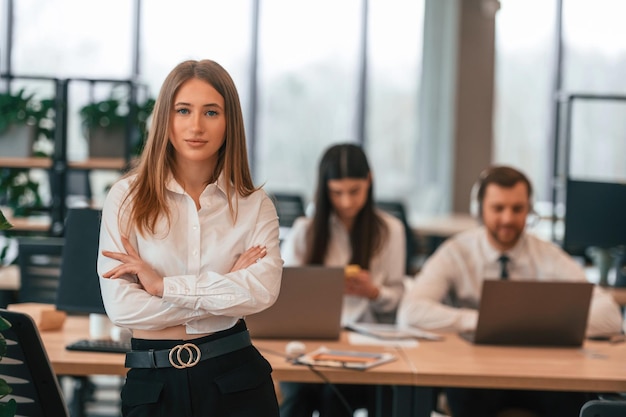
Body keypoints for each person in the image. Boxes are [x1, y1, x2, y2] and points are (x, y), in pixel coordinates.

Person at [97, 59, 283, 417]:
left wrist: (162, 286)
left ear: (230, 122)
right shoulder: (125, 198)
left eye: (211, 112)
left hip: (238, 381)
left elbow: (262, 291)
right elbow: (122, 307)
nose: (196, 126)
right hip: (153, 387)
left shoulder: (255, 205)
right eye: (184, 110)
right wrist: (227, 287)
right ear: (166, 118)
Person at [397, 165, 623, 417]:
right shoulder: (456, 253)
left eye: (517, 209)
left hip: (544, 376)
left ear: (529, 209)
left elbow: (610, 316)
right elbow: (410, 312)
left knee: (576, 397)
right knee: (464, 391)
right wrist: (480, 321)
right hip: (476, 376)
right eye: (498, 208)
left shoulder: (548, 256)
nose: (507, 219)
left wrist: (536, 323)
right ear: (479, 210)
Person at [279, 143, 406, 417]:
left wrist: (373, 292)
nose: (347, 202)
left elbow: (398, 300)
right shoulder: (306, 231)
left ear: (369, 181)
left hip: (365, 344)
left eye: (354, 191)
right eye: (337, 193)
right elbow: (284, 294)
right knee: (298, 396)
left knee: (333, 396)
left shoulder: (390, 231)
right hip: (313, 341)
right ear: (324, 189)